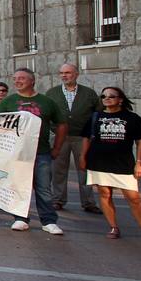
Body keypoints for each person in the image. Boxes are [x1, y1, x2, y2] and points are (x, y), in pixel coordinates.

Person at [81, 87, 141, 244]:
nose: (106, 98)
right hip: (99, 162)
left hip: (123, 163)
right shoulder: (96, 117)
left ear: (120, 99)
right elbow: (86, 138)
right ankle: (113, 227)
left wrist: (139, 163)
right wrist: (83, 157)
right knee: (105, 194)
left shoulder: (132, 118)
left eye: (111, 96)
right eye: (103, 96)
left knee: (134, 198)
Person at [0, 68, 66, 235]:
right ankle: (20, 218)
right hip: (17, 153)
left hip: (41, 152)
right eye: (15, 78)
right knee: (20, 186)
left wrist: (57, 147)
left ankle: (48, 221)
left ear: (32, 81)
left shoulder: (47, 102)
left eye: (22, 78)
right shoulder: (8, 102)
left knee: (43, 187)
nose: (17, 81)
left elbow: (62, 124)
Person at [46, 62, 99, 213]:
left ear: (76, 74)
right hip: (60, 137)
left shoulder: (88, 93)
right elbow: (47, 113)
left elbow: (97, 112)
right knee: (58, 169)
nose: (64, 75)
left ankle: (88, 202)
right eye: (62, 73)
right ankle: (58, 200)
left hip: (82, 137)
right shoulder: (52, 93)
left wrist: (93, 132)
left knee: (84, 169)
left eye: (68, 73)